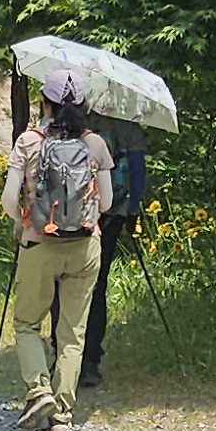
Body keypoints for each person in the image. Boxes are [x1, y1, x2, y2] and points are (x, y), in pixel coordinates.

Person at [0, 69, 113, 431]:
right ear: (82, 106)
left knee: (27, 323)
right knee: (72, 333)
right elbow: (106, 203)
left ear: (44, 103)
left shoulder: (28, 142)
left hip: (40, 243)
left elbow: (8, 199)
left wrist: (23, 220)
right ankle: (62, 413)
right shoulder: (96, 144)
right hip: (85, 246)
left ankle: (38, 390)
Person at [81, 111, 149, 388]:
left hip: (71, 215)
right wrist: (132, 211)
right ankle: (90, 361)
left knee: (64, 283)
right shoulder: (128, 126)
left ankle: (63, 355)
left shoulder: (73, 120)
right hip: (112, 214)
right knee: (97, 285)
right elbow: (138, 170)